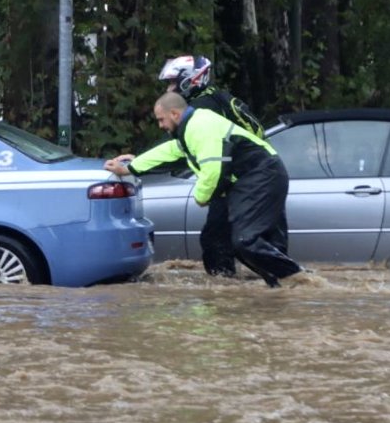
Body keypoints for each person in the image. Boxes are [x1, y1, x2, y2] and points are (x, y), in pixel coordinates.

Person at [105, 92, 304, 287]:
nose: (161, 126)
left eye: (161, 120)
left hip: (262, 176)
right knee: (216, 239)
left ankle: (299, 279)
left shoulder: (201, 126)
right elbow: (170, 151)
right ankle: (247, 288)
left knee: (245, 241)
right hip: (244, 181)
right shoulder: (189, 129)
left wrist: (201, 196)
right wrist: (132, 166)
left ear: (174, 114)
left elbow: (213, 170)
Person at [156, 55, 267, 277]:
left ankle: (223, 294)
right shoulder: (218, 97)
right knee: (240, 242)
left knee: (215, 240)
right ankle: (267, 287)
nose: (168, 89)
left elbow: (180, 148)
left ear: (189, 80)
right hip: (248, 179)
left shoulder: (201, 108)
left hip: (232, 184)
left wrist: (138, 162)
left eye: (172, 83)